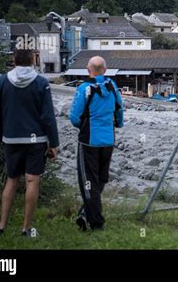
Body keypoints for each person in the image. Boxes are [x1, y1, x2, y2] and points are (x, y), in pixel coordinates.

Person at [0, 49, 59, 237]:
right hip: (36, 140)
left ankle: (1, 226)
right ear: (32, 60)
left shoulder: (2, 81)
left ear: (14, 60)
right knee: (32, 181)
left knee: (11, 180)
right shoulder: (41, 83)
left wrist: (1, 136)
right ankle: (26, 228)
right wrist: (53, 143)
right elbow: (47, 117)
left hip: (11, 138)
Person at [69, 56, 123, 231]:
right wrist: (118, 123)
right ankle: (86, 213)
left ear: (88, 70)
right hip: (108, 140)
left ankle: (96, 222)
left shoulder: (84, 88)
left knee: (87, 181)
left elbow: (74, 117)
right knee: (101, 178)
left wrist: (82, 125)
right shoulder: (112, 86)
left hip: (89, 141)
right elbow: (119, 109)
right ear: (105, 70)